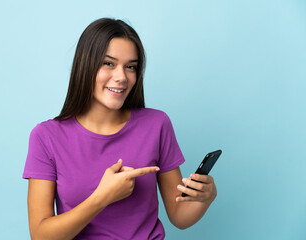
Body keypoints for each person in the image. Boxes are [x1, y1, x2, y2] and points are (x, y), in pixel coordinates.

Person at [22, 18, 217, 240]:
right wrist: (102, 197)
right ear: (85, 65)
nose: (122, 77)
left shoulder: (157, 124)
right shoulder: (46, 137)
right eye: (109, 63)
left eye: (131, 67)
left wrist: (205, 198)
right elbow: (41, 235)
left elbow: (179, 216)